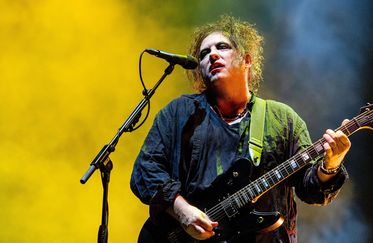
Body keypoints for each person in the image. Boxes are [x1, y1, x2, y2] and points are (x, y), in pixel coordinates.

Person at [130, 15, 350, 243]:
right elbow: (145, 170)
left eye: (222, 47)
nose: (212, 55)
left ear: (247, 59)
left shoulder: (281, 119)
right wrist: (182, 210)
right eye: (204, 54)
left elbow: (310, 190)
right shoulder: (179, 114)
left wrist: (330, 165)